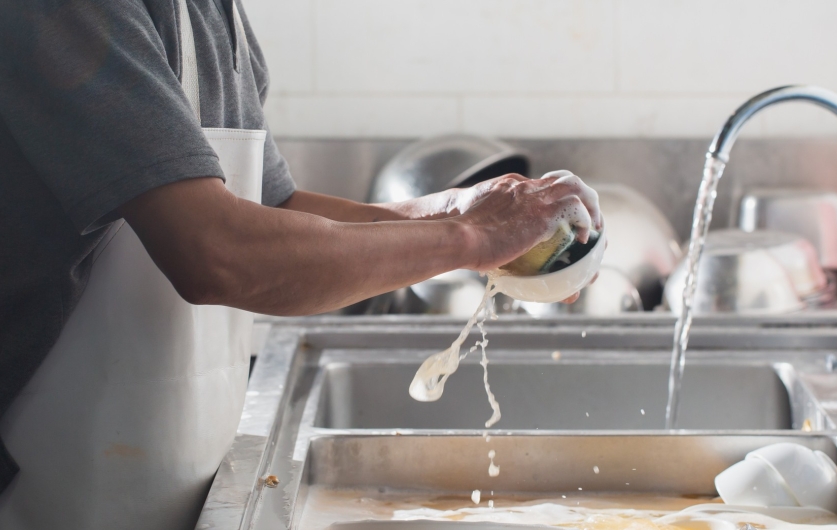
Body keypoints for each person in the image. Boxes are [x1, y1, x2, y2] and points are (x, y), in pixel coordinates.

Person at [0, 1, 602, 528]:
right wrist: (470, 237)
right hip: (39, 496)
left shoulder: (212, 13)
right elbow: (218, 251)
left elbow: (275, 211)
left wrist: (460, 212)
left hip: (167, 488)